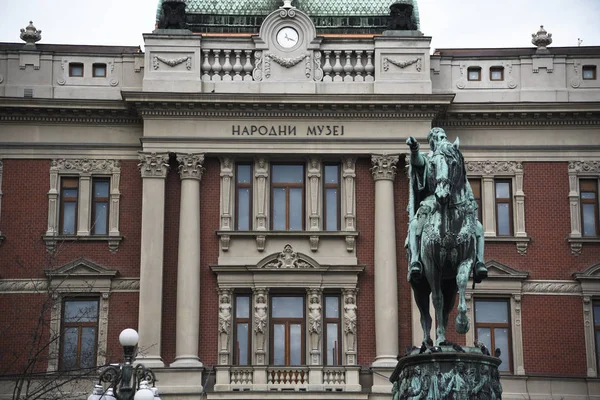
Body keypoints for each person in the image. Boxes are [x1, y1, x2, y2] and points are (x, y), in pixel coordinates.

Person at [405, 127, 487, 284]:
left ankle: (479, 262)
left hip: (454, 201)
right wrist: (414, 149)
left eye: (444, 136)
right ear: (432, 142)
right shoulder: (428, 158)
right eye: (439, 137)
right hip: (431, 200)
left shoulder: (452, 160)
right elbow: (417, 162)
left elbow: (463, 183)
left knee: (478, 227)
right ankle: (415, 261)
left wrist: (469, 200)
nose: (443, 139)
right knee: (415, 224)